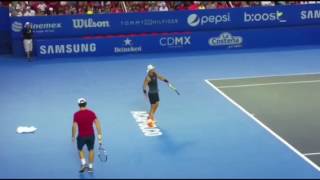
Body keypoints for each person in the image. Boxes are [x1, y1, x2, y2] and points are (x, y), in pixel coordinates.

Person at [72, 98, 103, 173]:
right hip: (91, 136)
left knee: (80, 150)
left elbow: (74, 126)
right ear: (86, 104)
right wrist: (99, 135)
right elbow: (97, 125)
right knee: (91, 150)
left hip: (81, 136)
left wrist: (73, 136)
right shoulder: (91, 113)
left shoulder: (76, 114)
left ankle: (83, 164)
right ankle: (90, 167)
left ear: (78, 105)